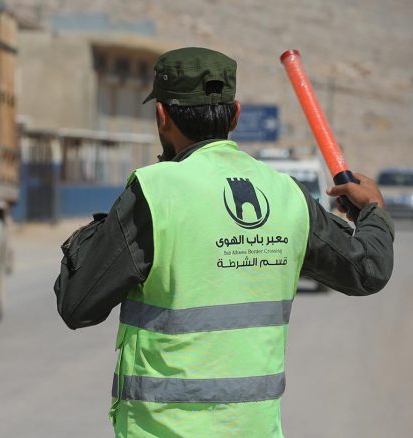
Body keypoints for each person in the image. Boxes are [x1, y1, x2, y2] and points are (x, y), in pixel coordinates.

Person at [53, 47, 394, 437]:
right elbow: (368, 269)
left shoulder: (156, 193)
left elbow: (77, 303)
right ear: (235, 115)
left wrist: (107, 226)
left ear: (161, 115)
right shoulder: (286, 194)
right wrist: (372, 211)